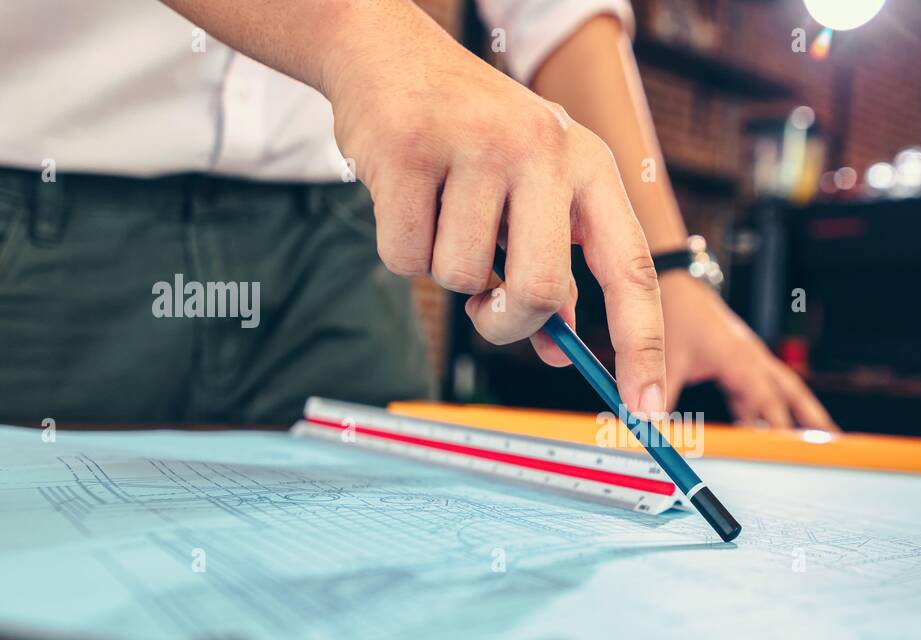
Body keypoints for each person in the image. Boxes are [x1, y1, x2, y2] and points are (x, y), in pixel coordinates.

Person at [0, 0, 834, 429]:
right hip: (44, 229)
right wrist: (359, 36)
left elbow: (550, 7)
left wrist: (671, 266)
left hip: (336, 246)